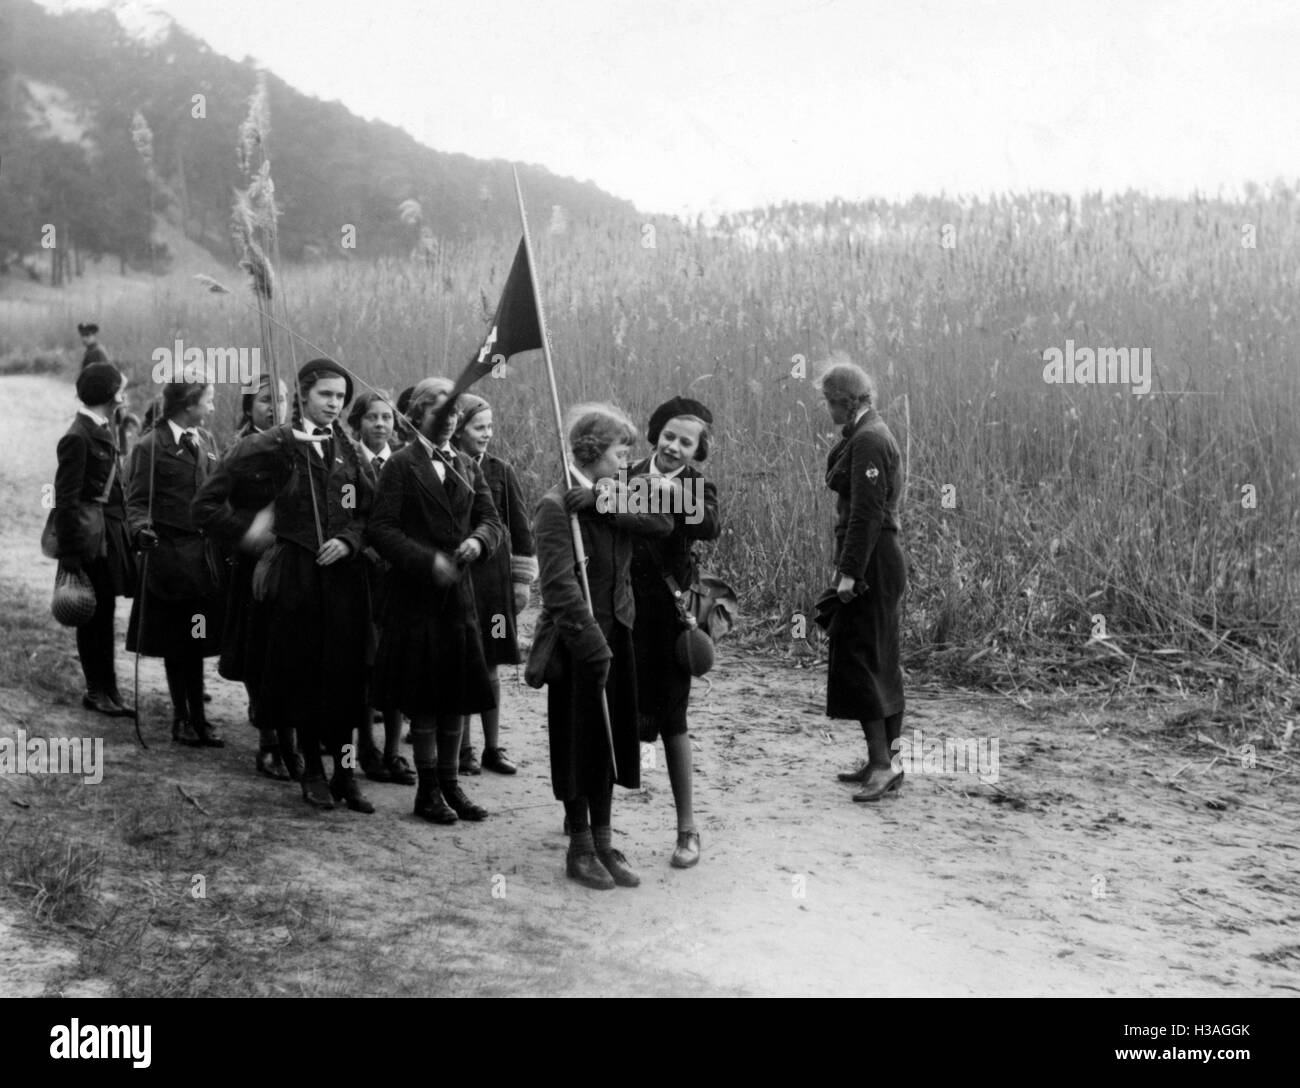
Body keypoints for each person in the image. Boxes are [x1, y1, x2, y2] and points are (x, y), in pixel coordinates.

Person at [198, 359, 375, 812]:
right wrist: (250, 531)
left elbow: (364, 513)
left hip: (343, 580)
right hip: (296, 577)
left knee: (346, 679)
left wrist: (349, 542)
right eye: (325, 396)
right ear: (302, 396)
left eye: (340, 397)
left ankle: (345, 773)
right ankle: (312, 773)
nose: (334, 405)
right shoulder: (274, 447)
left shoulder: (349, 450)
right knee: (306, 677)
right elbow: (206, 503)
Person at [528, 404, 672, 890]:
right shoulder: (555, 506)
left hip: (619, 632)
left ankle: (606, 840)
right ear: (591, 450)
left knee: (611, 742)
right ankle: (581, 847)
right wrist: (590, 643)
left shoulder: (612, 495)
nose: (626, 458)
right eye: (619, 450)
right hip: (580, 645)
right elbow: (559, 586)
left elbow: (663, 526)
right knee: (578, 742)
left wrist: (603, 502)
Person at [367, 378, 504, 825]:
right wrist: (427, 562)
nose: (448, 423)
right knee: (424, 699)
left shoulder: (466, 463)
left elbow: (490, 519)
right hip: (415, 599)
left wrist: (479, 544)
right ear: (416, 416)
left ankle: (450, 784)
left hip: (459, 601)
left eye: (454, 416)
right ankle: (427, 791)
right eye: (438, 415)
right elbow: (382, 530)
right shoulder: (401, 466)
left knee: (454, 696)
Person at [628, 397, 721, 868]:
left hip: (670, 614)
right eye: (668, 436)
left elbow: (709, 526)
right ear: (655, 433)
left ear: (698, 450)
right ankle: (587, 817)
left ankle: (688, 829)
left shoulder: (698, 488)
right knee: (612, 705)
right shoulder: (622, 473)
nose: (674, 446)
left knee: (673, 719)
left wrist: (658, 492)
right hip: (621, 611)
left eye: (687, 442)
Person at [195, 374, 297, 779]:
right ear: (249, 408)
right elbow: (205, 510)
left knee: (294, 651)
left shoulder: (302, 449)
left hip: (297, 566)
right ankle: (269, 742)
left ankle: (292, 737)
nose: (278, 409)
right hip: (253, 569)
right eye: (267, 401)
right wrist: (246, 531)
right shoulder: (240, 453)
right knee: (259, 654)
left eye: (285, 400)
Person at [819, 359, 908, 802]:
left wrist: (849, 573)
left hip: (871, 562)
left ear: (842, 400)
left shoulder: (869, 439)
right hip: (878, 558)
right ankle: (887, 762)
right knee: (881, 657)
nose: (826, 409)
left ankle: (881, 764)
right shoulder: (868, 433)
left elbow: (866, 515)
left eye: (828, 401)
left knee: (862, 658)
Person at [125, 379, 225, 746]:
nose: (212, 408)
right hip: (168, 560)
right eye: (208, 402)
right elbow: (135, 502)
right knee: (176, 642)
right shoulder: (151, 446)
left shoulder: (207, 441)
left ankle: (199, 717)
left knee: (197, 640)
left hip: (201, 561)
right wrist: (140, 531)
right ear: (188, 405)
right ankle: (182, 717)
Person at [452, 393, 537, 776]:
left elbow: (520, 529)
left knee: (491, 663)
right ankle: (462, 748)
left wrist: (521, 582)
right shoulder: (445, 467)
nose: (487, 434)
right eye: (478, 427)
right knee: (462, 660)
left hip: (494, 586)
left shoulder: (502, 471)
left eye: (490, 427)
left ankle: (492, 746)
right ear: (458, 427)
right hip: (458, 579)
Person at [53, 363, 136, 716]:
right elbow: (65, 499)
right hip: (87, 542)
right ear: (110, 395)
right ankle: (95, 690)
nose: (124, 393)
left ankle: (111, 690)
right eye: (120, 389)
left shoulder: (101, 427)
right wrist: (70, 555)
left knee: (107, 612)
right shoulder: (78, 436)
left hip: (104, 537)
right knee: (91, 616)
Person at [346, 390, 414, 786]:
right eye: (372, 418)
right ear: (358, 423)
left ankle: (393, 751)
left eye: (387, 418)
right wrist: (369, 549)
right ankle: (366, 749)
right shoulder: (348, 462)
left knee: (396, 663)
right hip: (359, 575)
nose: (380, 425)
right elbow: (347, 512)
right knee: (363, 665)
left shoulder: (404, 463)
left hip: (398, 577)